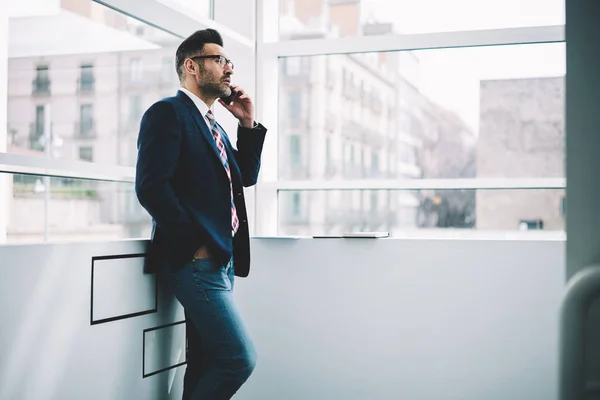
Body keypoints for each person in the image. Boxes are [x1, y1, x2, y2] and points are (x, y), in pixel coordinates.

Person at [135, 28, 267, 399]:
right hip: (196, 260)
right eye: (219, 60)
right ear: (192, 66)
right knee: (239, 359)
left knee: (207, 362)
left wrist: (246, 124)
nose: (228, 69)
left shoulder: (214, 126)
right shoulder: (167, 113)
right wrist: (196, 243)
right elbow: (150, 187)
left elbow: (247, 177)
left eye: (229, 62)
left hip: (221, 262)